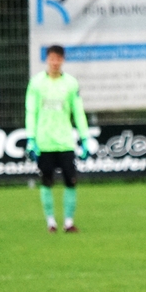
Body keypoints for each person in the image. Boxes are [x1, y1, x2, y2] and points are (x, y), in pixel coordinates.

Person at [25, 44, 90, 233]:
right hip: (44, 142)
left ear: (63, 60)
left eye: (58, 59)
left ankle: (68, 222)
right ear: (47, 60)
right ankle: (51, 222)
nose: (55, 62)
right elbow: (31, 111)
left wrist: (85, 137)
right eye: (52, 59)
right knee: (46, 182)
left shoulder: (71, 83)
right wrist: (31, 138)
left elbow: (78, 112)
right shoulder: (36, 83)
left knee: (71, 181)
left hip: (65, 141)